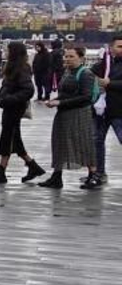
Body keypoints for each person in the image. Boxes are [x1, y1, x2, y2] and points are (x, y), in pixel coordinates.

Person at [39, 45, 98, 189]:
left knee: (83, 143)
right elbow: (65, 93)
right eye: (66, 56)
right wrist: (55, 100)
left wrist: (60, 102)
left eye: (72, 56)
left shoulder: (85, 73)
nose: (68, 59)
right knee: (60, 143)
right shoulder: (67, 72)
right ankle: (56, 176)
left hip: (79, 114)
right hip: (64, 113)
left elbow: (86, 97)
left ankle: (93, 175)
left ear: (81, 58)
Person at [0, 40, 43, 184]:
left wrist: (9, 99)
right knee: (14, 137)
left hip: (14, 107)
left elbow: (28, 89)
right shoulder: (14, 67)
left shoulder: (21, 69)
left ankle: (1, 170)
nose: (5, 52)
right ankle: (32, 165)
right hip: (10, 106)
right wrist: (2, 98)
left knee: (8, 136)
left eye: (7, 50)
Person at [90, 34, 122, 187]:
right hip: (101, 111)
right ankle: (99, 172)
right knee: (97, 141)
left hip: (119, 110)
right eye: (120, 46)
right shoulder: (102, 64)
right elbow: (90, 77)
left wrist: (110, 84)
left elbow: (111, 83)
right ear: (111, 48)